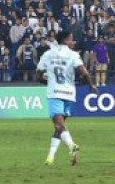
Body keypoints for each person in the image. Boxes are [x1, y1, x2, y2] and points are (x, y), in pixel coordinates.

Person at [36, 31, 98, 166]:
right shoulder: (73, 55)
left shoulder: (48, 54)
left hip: (55, 93)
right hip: (70, 94)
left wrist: (50, 83)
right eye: (71, 39)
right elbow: (84, 72)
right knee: (59, 127)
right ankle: (50, 158)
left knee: (59, 125)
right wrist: (91, 85)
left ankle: (71, 146)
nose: (73, 42)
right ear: (65, 40)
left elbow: (38, 76)